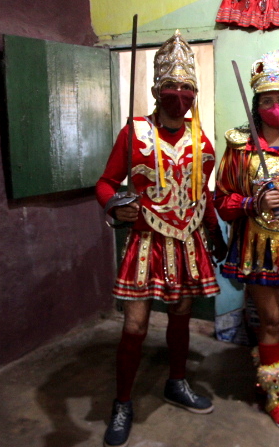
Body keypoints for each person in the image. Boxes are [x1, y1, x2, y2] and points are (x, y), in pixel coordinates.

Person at [95, 30, 227, 447]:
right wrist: (117, 206)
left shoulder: (201, 140)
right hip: (145, 241)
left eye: (187, 87)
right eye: (171, 86)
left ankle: (177, 380)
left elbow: (201, 193)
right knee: (134, 325)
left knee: (182, 315)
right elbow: (105, 182)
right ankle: (122, 401)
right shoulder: (133, 133)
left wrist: (216, 231)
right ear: (156, 90)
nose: (179, 94)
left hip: (187, 242)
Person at [214, 50, 279, 432]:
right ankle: (277, 396)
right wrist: (250, 201)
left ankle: (266, 375)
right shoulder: (240, 146)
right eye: (268, 101)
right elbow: (222, 201)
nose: (276, 107)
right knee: (271, 318)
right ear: (257, 105)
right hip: (255, 247)